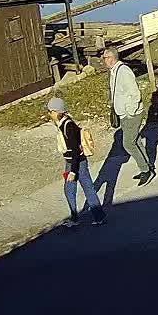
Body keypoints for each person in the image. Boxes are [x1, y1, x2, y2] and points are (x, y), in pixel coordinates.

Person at [48, 97, 106, 227]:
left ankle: (75, 218)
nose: (49, 114)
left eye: (51, 111)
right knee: (88, 188)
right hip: (79, 162)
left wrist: (73, 171)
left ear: (57, 112)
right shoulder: (66, 123)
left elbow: (74, 150)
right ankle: (99, 216)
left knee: (70, 189)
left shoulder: (67, 126)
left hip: (75, 163)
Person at [102, 47, 154, 186]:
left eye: (105, 58)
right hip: (123, 113)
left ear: (111, 58)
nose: (103, 61)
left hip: (131, 114)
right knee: (135, 140)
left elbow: (135, 93)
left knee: (128, 143)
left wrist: (129, 112)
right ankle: (147, 166)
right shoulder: (114, 72)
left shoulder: (123, 71)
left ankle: (145, 170)